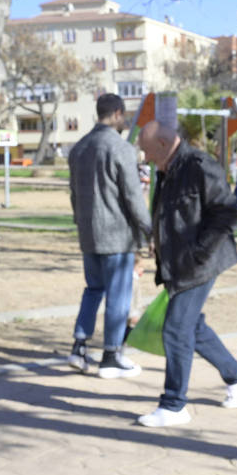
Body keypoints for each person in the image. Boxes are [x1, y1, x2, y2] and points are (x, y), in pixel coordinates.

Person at [136, 120, 237, 428]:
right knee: (191, 325)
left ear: (164, 145)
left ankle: (174, 405)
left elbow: (227, 214)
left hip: (199, 263)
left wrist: (198, 254)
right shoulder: (168, 168)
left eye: (148, 151)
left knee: (175, 329)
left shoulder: (199, 165)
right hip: (177, 262)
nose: (146, 158)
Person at [67, 93, 152, 379]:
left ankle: (79, 346)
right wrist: (149, 230)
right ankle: (112, 354)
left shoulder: (79, 148)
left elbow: (74, 195)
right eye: (123, 115)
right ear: (117, 113)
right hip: (116, 233)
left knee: (93, 289)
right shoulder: (121, 148)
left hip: (89, 232)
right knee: (118, 293)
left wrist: (82, 224)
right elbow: (133, 196)